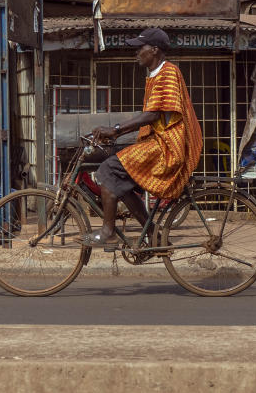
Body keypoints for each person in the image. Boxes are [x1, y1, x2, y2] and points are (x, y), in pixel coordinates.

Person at [81, 28, 203, 248]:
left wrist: (115, 130)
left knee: (108, 170)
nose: (136, 52)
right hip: (158, 143)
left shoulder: (168, 73)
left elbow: (153, 114)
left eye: (140, 48)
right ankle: (152, 232)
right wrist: (115, 134)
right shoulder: (155, 75)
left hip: (167, 148)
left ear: (154, 50)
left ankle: (108, 232)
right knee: (120, 180)